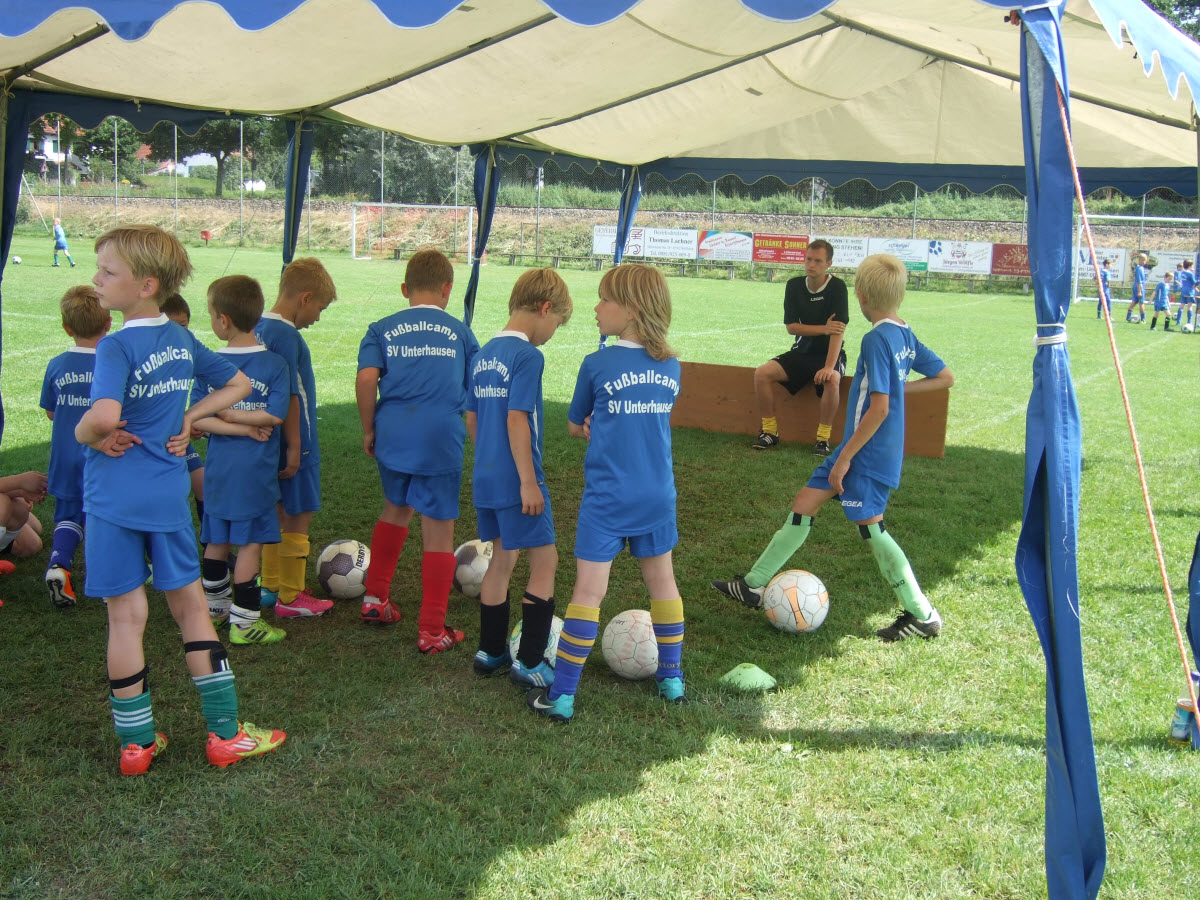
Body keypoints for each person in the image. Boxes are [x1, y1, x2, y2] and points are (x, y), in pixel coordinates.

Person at [75, 224, 285, 775]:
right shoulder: (181, 338)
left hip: (111, 497)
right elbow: (239, 385)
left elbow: (102, 417)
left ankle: (136, 746)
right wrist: (189, 416)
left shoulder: (115, 345)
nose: (96, 279)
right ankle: (225, 735)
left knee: (126, 619)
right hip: (166, 493)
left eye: (107, 271)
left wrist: (86, 434)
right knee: (191, 608)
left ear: (146, 285)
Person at [711, 253, 955, 643]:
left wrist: (845, 459)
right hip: (857, 447)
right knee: (804, 502)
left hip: (865, 452)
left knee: (872, 528)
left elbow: (880, 408)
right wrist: (897, 390)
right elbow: (945, 377)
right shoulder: (904, 333)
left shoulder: (877, 339)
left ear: (861, 296)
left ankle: (922, 613)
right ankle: (754, 585)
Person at [528, 263, 684, 723]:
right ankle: (672, 678)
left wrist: (590, 425)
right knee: (663, 583)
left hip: (608, 498)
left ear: (631, 310)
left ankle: (562, 695)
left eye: (604, 299)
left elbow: (575, 424)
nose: (596, 308)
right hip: (657, 494)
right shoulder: (671, 366)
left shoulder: (597, 364)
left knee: (589, 592)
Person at [355, 249, 481, 653]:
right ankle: (432, 629)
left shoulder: (381, 328)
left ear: (405, 289)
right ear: (448, 289)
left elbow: (366, 379)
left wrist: (368, 428)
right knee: (439, 530)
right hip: (440, 436)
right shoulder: (461, 333)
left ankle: (375, 598)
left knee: (395, 508)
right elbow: (476, 391)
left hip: (393, 432)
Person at [466, 268, 572, 685]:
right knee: (546, 560)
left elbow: (472, 418)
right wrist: (528, 481)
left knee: (502, 558)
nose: (552, 334)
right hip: (518, 479)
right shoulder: (528, 356)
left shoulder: (483, 354)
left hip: (486, 477)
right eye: (557, 323)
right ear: (545, 308)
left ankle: (490, 651)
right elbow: (517, 418)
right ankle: (529, 661)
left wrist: (489, 458)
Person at [192, 275, 289, 645]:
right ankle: (245, 623)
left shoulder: (210, 364)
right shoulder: (275, 364)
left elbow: (197, 419)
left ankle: (215, 611)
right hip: (255, 474)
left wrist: (229, 419)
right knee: (250, 543)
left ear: (223, 320)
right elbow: (274, 415)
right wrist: (246, 426)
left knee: (217, 540)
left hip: (219, 472)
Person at [256, 258, 337, 618]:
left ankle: (271, 586)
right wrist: (295, 445)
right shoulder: (288, 336)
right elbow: (289, 394)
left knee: (277, 510)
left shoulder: (257, 326)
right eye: (320, 307)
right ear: (305, 298)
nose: (318, 317)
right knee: (299, 512)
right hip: (296, 439)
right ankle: (291, 596)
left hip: (264, 437)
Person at [40, 285, 111, 607]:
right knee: (103, 513)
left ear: (66, 327)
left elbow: (51, 411)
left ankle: (59, 565)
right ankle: (106, 579)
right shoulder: (113, 363)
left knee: (69, 512)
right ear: (108, 323)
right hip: (102, 454)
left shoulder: (57, 364)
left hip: (65, 455)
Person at [750, 239, 848, 455]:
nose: (811, 265)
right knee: (762, 373)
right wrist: (823, 328)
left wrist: (829, 366)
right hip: (801, 353)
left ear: (828, 264)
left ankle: (822, 439)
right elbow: (792, 327)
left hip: (830, 355)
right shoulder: (794, 285)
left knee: (832, 379)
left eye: (818, 261)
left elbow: (837, 331)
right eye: (808, 259)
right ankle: (770, 432)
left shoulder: (838, 287)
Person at [162, 293, 207, 530]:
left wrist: (193, 419)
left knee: (203, 484)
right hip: (153, 441)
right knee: (166, 497)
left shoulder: (187, 351)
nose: (179, 332)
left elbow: (230, 382)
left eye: (184, 325)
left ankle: (212, 545)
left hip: (178, 438)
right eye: (173, 326)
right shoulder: (151, 358)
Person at [1128, 253, 1148, 323]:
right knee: (1141, 303)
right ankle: (1143, 319)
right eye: (1143, 260)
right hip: (1139, 287)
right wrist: (1139, 291)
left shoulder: (1141, 268)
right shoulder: (1139, 269)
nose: (1144, 262)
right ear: (1139, 260)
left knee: (1134, 301)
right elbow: (1139, 281)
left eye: (1145, 260)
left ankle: (1128, 317)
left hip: (1137, 287)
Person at [1177, 258, 1196, 329]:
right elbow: (1194, 283)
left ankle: (1178, 321)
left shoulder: (1182, 272)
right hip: (1189, 291)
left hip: (1183, 291)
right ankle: (1189, 322)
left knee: (1181, 305)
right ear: (1190, 266)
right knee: (1190, 306)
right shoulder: (1190, 274)